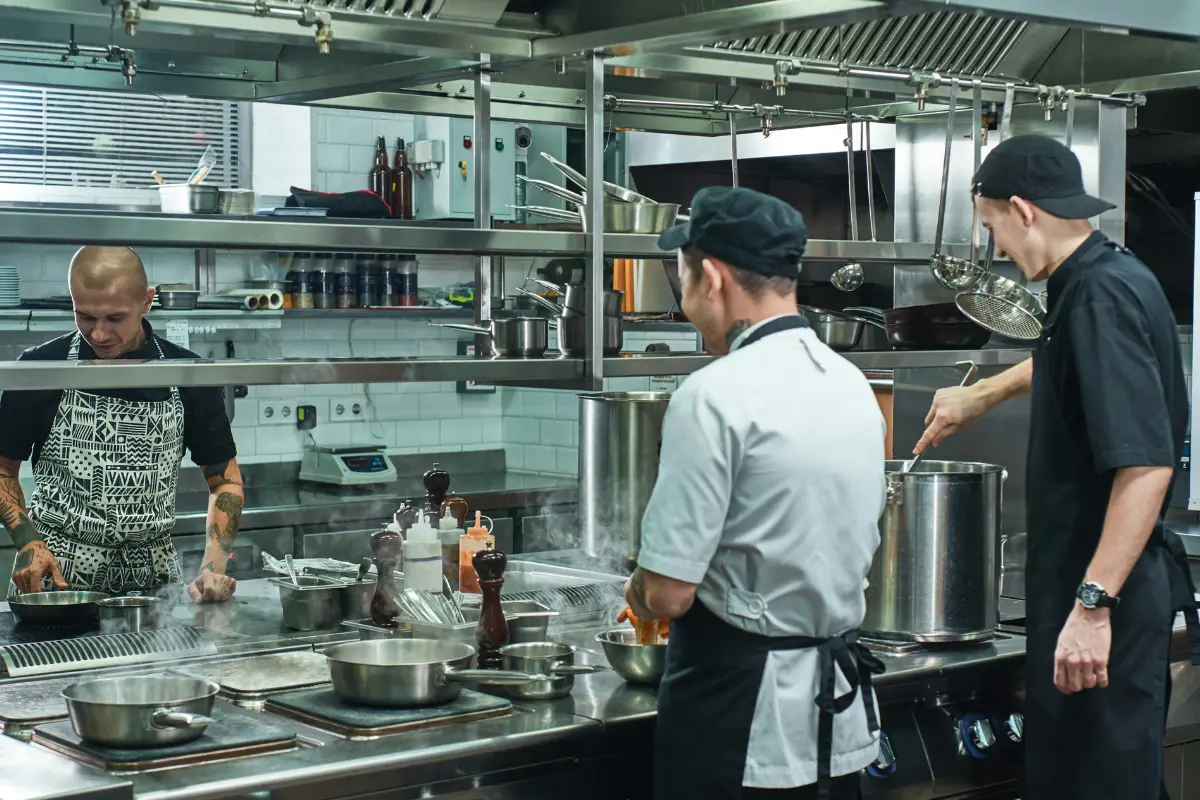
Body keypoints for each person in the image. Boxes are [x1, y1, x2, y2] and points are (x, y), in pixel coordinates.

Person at [915, 135, 1200, 799]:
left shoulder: (1099, 296)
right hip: (1097, 596)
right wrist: (983, 392)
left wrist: (1092, 605)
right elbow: (1071, 360)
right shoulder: (1103, 279)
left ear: (1022, 210)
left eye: (992, 228)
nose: (1000, 251)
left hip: (1108, 605)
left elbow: (1147, 466)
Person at [624, 186, 886, 800]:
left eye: (681, 274)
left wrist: (636, 585)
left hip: (738, 721)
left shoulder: (713, 395)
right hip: (833, 722)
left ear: (711, 277)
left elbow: (668, 593)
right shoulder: (851, 385)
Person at [0, 246, 240, 603]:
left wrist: (213, 566)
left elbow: (226, 482)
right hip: (58, 583)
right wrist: (27, 541)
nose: (98, 334)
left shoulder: (187, 372)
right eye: (85, 317)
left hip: (155, 588)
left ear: (147, 301)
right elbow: (3, 470)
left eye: (114, 318)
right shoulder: (39, 369)